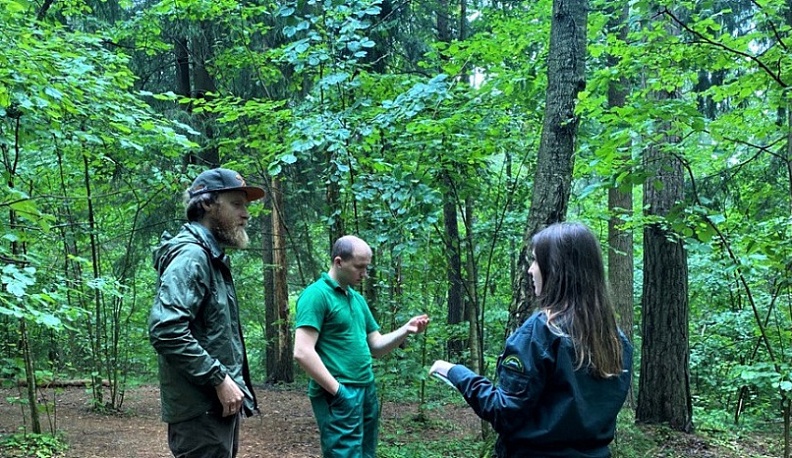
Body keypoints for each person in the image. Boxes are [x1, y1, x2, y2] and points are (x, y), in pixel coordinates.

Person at [430, 222, 633, 458]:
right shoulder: (615, 340)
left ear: (555, 269)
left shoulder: (542, 332)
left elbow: (504, 412)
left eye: (536, 260)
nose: (530, 270)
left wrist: (455, 372)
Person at [149, 167, 264, 458]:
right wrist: (219, 378)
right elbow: (166, 330)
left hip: (214, 408)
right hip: (201, 410)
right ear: (208, 204)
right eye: (236, 204)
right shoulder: (192, 256)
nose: (246, 215)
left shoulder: (210, 256)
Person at [293, 235, 430, 458]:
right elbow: (302, 351)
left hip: (366, 389)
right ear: (339, 262)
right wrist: (339, 391)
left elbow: (375, 346)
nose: (364, 274)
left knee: (367, 454)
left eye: (367, 267)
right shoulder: (316, 295)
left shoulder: (357, 300)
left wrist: (406, 329)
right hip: (338, 391)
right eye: (359, 267)